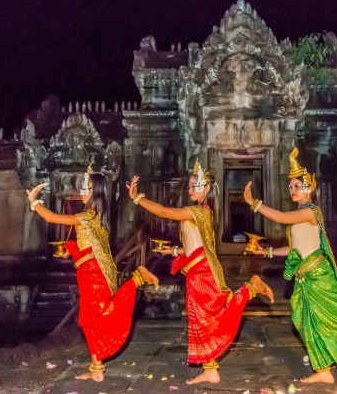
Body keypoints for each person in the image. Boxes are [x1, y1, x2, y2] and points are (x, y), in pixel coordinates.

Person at [127, 160, 274, 385]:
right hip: (198, 270)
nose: (190, 189)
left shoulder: (195, 211)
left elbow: (163, 211)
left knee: (210, 318)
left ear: (206, 189)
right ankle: (210, 369)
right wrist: (171, 250)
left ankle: (250, 289)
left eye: (195, 185)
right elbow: (195, 246)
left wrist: (137, 198)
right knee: (202, 320)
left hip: (201, 273)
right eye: (189, 185)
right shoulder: (204, 211)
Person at [244, 147, 337, 384]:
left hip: (318, 274)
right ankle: (323, 368)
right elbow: (294, 247)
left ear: (310, 188)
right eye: (290, 187)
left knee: (333, 317)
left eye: (297, 186)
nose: (292, 190)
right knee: (301, 319)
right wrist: (267, 251)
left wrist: (254, 204)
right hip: (304, 276)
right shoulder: (300, 214)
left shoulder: (310, 212)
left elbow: (281, 218)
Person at [26, 172, 159, 382]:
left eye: (87, 189)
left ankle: (137, 278)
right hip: (91, 273)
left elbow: (52, 218)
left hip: (93, 276)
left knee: (101, 315)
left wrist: (34, 202)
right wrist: (72, 249)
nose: (82, 193)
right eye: (83, 189)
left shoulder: (88, 216)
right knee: (89, 320)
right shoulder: (97, 216)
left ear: (96, 193)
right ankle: (96, 369)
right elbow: (89, 249)